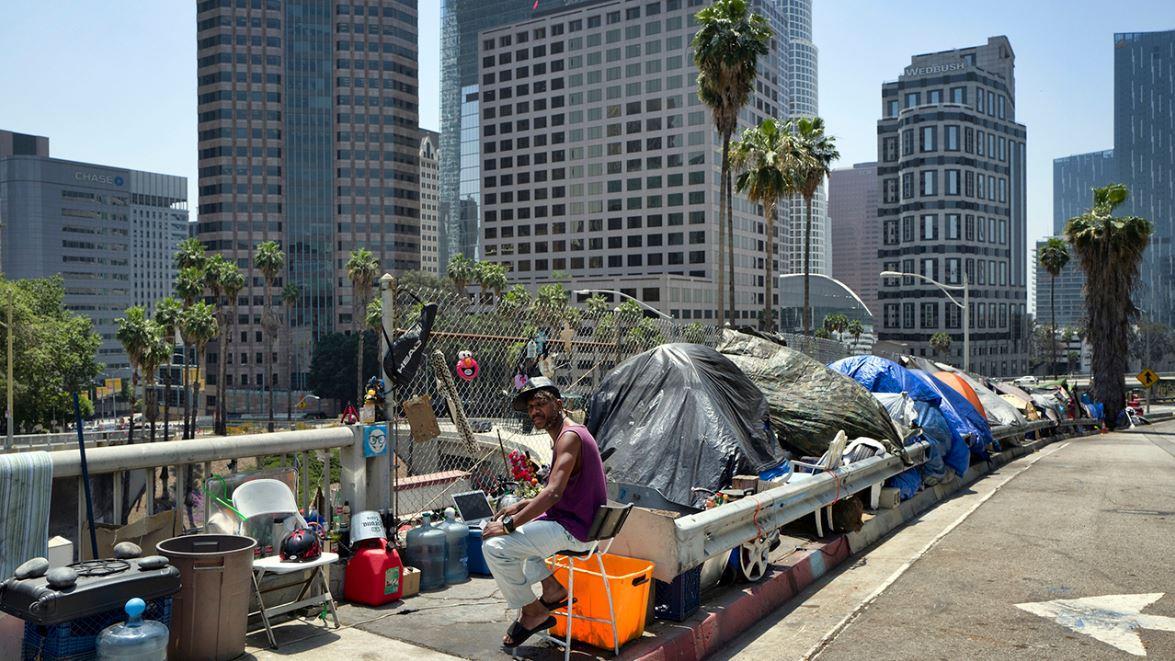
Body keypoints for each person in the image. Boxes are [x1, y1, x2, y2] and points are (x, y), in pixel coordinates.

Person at [481, 376, 607, 651]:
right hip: (575, 523)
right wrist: (519, 507)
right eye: (530, 408)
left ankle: (533, 612)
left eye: (541, 404)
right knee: (522, 536)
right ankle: (552, 590)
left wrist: (510, 525)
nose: (535, 411)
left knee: (495, 546)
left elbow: (553, 494)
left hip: (575, 530)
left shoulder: (570, 438)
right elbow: (553, 490)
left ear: (558, 404)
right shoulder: (569, 434)